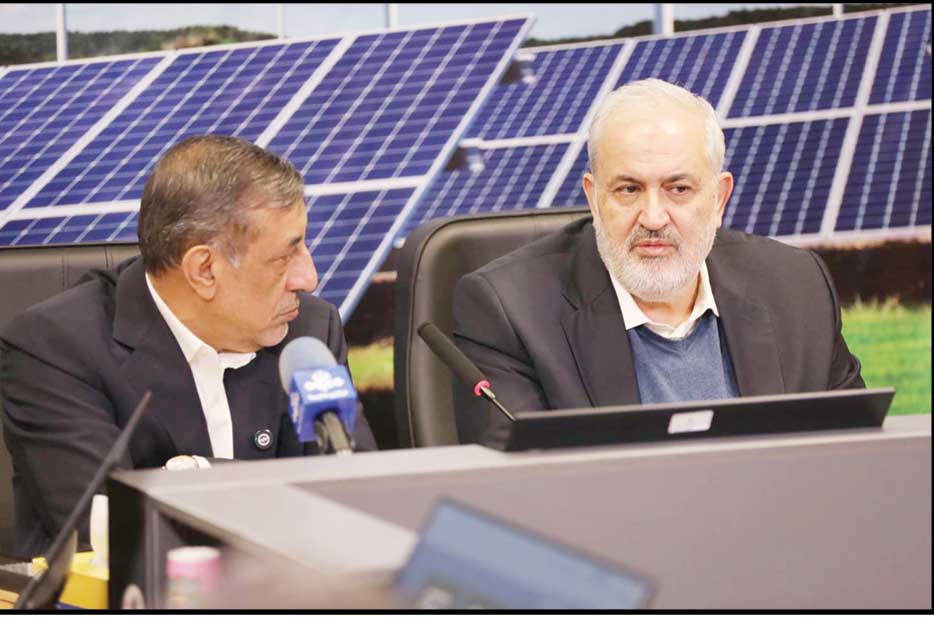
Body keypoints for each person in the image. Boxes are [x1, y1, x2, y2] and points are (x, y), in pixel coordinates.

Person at [0, 135, 376, 556]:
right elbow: (110, 530)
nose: (308, 278)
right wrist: (240, 489)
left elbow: (359, 501)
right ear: (204, 270)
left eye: (303, 245)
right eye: (283, 258)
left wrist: (190, 477)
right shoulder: (57, 349)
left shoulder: (308, 330)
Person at [452, 78, 864, 448]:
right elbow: (523, 491)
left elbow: (856, 455)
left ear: (718, 199)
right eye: (628, 189)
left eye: (678, 189)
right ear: (594, 199)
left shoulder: (797, 286)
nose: (652, 217)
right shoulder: (508, 312)